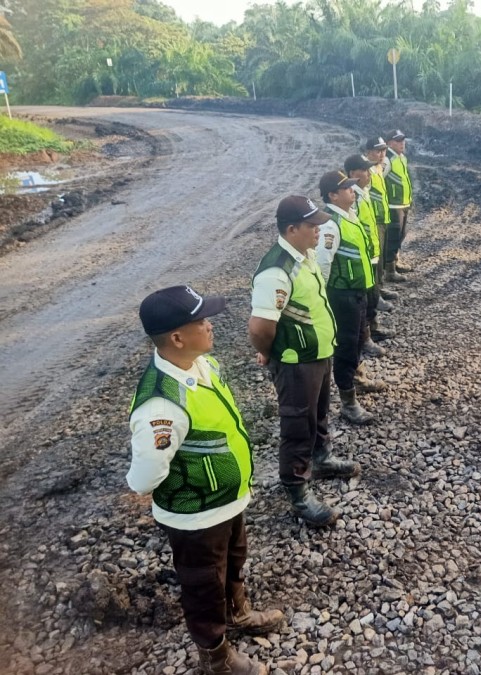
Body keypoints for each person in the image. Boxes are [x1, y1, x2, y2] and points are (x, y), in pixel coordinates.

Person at [127, 285, 283, 675]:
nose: (210, 325)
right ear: (177, 337)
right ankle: (216, 657)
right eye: (201, 321)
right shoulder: (161, 406)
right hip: (196, 518)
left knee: (233, 561)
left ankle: (238, 613)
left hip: (225, 504)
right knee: (203, 586)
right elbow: (144, 476)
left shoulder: (202, 366)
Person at [249, 196, 360, 528]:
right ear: (291, 228)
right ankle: (298, 492)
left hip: (318, 355)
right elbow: (259, 327)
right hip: (296, 363)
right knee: (297, 426)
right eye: (311, 225)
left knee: (319, 414)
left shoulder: (305, 255)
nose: (319, 229)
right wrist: (271, 354)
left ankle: (321, 457)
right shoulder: (276, 271)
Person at [316, 171, 385, 424]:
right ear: (332, 195)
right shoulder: (330, 224)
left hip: (357, 291)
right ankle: (348, 403)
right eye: (346, 189)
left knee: (357, 339)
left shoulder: (348, 216)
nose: (352, 192)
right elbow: (323, 264)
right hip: (342, 295)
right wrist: (322, 301)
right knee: (345, 346)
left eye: (352, 187)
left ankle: (357, 378)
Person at [344, 153, 395, 355]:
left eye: (368, 169)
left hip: (372, 255)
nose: (369, 174)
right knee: (365, 300)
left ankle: (373, 329)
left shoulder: (363, 192)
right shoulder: (352, 198)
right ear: (352, 174)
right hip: (363, 258)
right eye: (364, 171)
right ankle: (365, 339)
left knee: (372, 296)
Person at [363, 137, 399, 302]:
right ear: (368, 152)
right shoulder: (365, 171)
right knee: (375, 258)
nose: (382, 154)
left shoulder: (377, 168)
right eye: (378, 151)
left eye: (384, 150)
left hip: (381, 218)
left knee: (381, 256)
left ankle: (380, 288)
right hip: (373, 220)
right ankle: (375, 294)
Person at [383, 130, 413, 281]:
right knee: (393, 237)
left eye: (403, 140)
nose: (402, 143)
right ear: (389, 143)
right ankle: (389, 271)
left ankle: (395, 261)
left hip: (402, 204)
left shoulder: (401, 158)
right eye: (398, 141)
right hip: (393, 205)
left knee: (401, 234)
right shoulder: (387, 160)